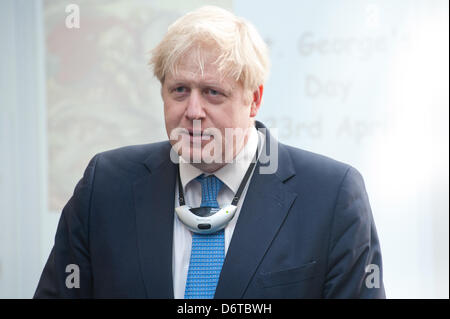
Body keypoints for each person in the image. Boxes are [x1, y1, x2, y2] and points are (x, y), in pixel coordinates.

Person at [34, 6, 385, 299]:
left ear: (254, 100)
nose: (193, 111)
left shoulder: (331, 195)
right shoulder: (105, 186)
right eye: (180, 90)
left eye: (213, 92)